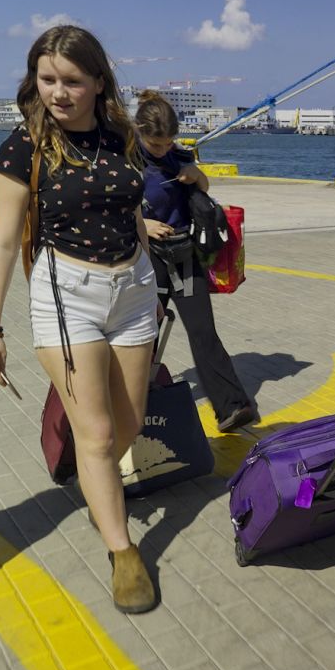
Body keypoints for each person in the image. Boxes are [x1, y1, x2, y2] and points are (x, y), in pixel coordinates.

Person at [0, 25, 159, 614]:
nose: (58, 92)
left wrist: (148, 266)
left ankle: (83, 459)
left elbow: (128, 210)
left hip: (134, 291)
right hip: (65, 296)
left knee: (125, 428)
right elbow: (1, 244)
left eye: (72, 81)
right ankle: (122, 551)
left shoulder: (121, 135)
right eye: (47, 80)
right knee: (101, 436)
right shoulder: (24, 146)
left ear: (98, 82)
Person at [135, 91, 256, 433]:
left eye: (168, 142)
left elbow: (204, 188)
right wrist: (141, 224)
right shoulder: (126, 160)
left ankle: (233, 406)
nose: (162, 149)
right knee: (144, 334)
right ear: (139, 132)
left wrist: (194, 173)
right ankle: (132, 404)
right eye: (156, 144)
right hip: (147, 258)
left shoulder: (179, 156)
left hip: (184, 253)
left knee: (203, 331)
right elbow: (109, 208)